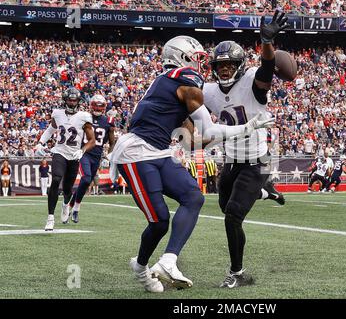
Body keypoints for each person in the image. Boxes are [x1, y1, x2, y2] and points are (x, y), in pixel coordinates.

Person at [108, 35, 273, 293]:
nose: (199, 65)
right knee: (160, 221)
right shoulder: (184, 77)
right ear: (182, 58)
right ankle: (141, 268)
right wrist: (247, 127)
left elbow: (192, 141)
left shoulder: (169, 83)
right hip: (136, 152)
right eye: (195, 58)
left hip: (159, 150)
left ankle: (168, 261)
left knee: (193, 197)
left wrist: (203, 143)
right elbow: (208, 127)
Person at [202, 10, 288, 288]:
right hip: (232, 161)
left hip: (256, 161)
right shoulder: (209, 91)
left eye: (230, 65)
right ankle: (266, 192)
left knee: (233, 216)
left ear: (239, 65)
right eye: (220, 65)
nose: (224, 69)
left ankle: (237, 273)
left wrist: (266, 42)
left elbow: (265, 72)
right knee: (225, 207)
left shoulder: (252, 81)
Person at [35, 87, 96, 231]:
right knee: (56, 179)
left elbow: (92, 140)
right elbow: (51, 129)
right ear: (65, 100)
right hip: (59, 151)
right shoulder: (57, 113)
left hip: (74, 154)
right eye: (70, 99)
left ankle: (65, 205)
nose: (72, 102)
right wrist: (40, 143)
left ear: (78, 101)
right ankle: (50, 217)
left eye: (74, 100)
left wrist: (82, 151)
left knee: (68, 188)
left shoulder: (84, 117)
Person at [68, 94, 116, 223]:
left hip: (97, 156)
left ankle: (71, 205)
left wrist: (109, 155)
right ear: (91, 106)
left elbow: (112, 142)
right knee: (86, 178)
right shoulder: (84, 118)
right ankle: (76, 209)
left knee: (86, 182)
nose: (98, 109)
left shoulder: (109, 122)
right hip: (84, 153)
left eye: (100, 106)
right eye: (96, 106)